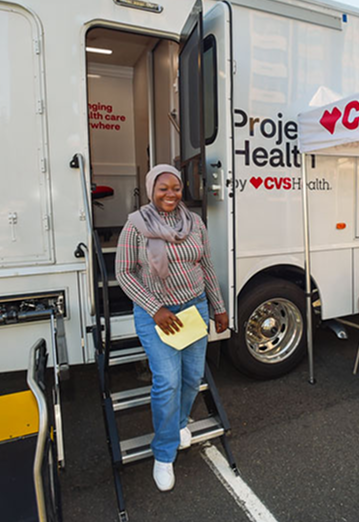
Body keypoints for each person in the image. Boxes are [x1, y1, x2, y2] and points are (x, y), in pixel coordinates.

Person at [115, 164, 229, 492]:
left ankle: (178, 423)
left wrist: (218, 307)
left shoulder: (194, 223)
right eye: (163, 188)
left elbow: (205, 265)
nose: (170, 194)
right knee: (167, 381)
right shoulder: (136, 226)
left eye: (176, 187)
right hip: (157, 314)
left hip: (194, 309)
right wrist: (155, 307)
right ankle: (163, 454)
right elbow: (123, 273)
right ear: (151, 189)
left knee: (192, 377)